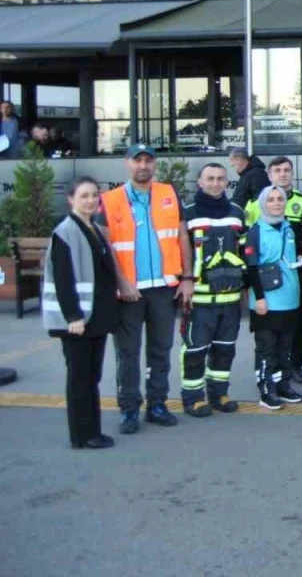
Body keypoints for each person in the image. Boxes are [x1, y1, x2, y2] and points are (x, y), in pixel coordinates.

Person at [99, 143, 192, 433]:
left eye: (148, 160)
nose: (143, 165)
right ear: (127, 163)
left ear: (154, 164)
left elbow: (182, 237)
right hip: (129, 292)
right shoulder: (110, 199)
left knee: (161, 350)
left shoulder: (169, 193)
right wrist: (122, 282)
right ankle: (129, 409)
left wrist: (187, 278)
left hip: (164, 288)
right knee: (127, 354)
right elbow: (106, 246)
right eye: (137, 160)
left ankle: (157, 404)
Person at [43, 176, 121, 449]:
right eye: (84, 196)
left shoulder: (93, 228)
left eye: (94, 195)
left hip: (95, 318)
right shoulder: (65, 232)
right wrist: (73, 316)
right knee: (80, 378)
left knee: (91, 377)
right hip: (78, 320)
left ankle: (92, 431)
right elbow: (63, 278)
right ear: (71, 200)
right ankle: (82, 435)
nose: (90, 201)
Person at [179, 163, 248, 417]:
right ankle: (193, 398)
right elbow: (180, 252)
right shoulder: (187, 212)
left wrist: (246, 286)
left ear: (226, 182)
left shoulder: (237, 212)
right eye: (210, 178)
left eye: (220, 179)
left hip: (230, 297)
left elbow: (244, 251)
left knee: (225, 348)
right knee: (195, 350)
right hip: (199, 297)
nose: (216, 183)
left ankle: (219, 394)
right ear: (200, 181)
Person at [245, 156, 302, 384]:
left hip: (298, 276)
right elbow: (247, 246)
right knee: (268, 334)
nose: (282, 174)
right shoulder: (254, 205)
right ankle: (270, 374)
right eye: (277, 170)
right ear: (269, 174)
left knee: (298, 325)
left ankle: (295, 366)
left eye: (287, 170)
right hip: (267, 280)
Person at [245, 185, 302, 410]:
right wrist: (259, 298)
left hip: (290, 299)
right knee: (267, 349)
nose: (276, 203)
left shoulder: (290, 228)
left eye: (280, 199)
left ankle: (283, 386)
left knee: (284, 348)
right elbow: (252, 267)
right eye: (271, 199)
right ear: (263, 204)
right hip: (267, 302)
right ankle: (266, 389)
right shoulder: (256, 230)